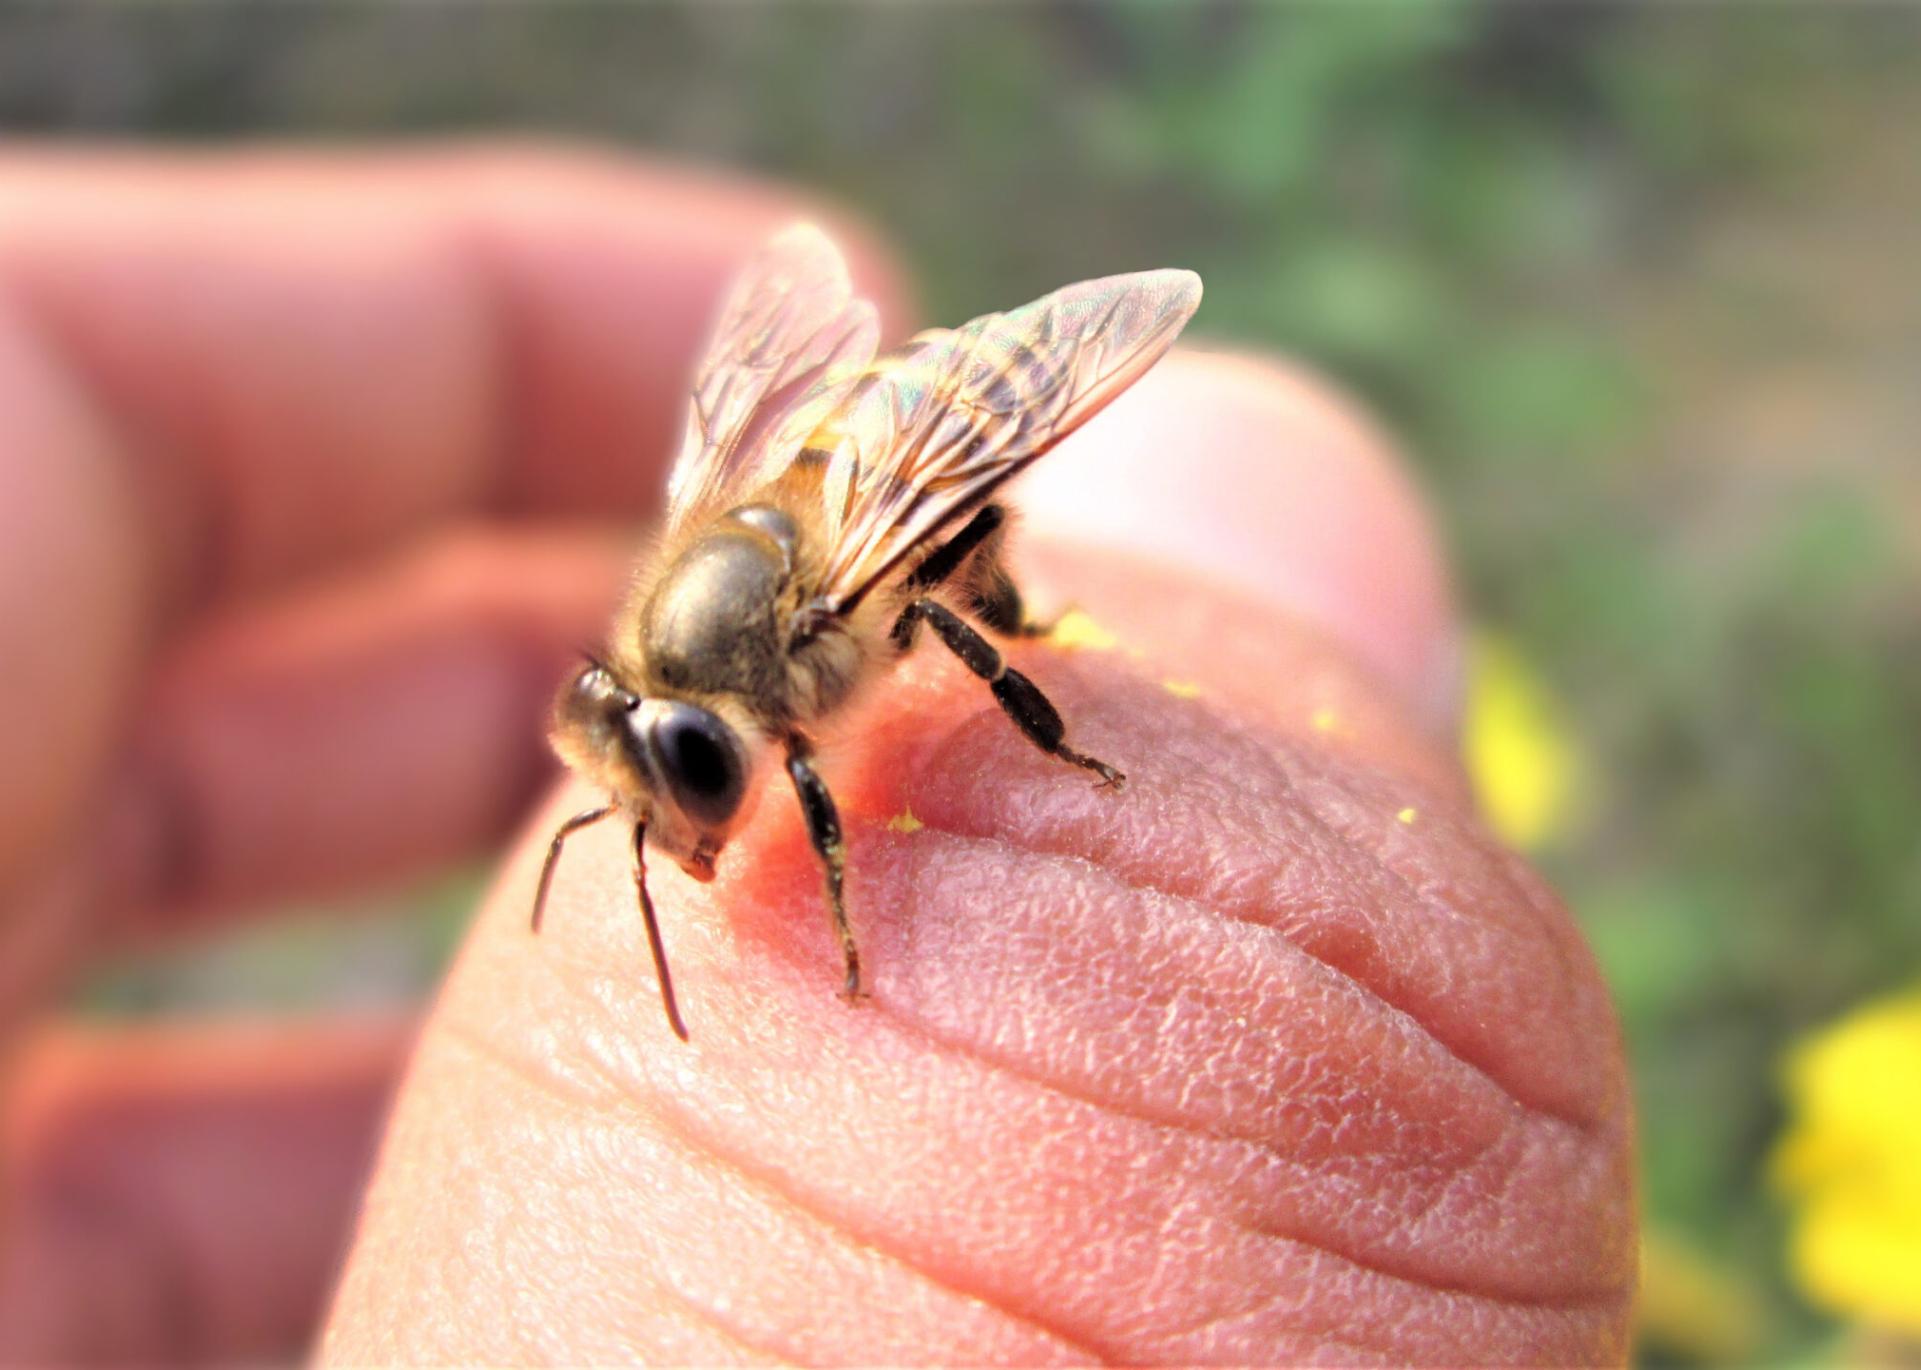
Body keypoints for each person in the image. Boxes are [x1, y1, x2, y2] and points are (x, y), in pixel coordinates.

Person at [0, 148, 1635, 1365]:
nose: (691, 830)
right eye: (670, 783)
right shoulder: (693, 624)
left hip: (913, 454)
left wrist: (936, 860)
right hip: (827, 458)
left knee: (958, 593)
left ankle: (1080, 746)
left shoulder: (812, 627)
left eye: (687, 784)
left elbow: (940, 571)